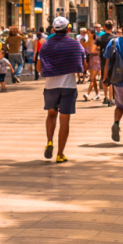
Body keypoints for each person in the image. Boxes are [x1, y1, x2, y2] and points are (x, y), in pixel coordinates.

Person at [38, 17, 85, 163]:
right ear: (68, 30)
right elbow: (83, 67)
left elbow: (39, 68)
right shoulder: (75, 45)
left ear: (53, 30)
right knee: (65, 120)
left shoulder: (45, 45)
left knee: (51, 115)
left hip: (50, 86)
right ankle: (60, 153)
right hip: (69, 87)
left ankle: (50, 141)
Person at [95, 20, 116, 105]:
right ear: (112, 28)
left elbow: (93, 49)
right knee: (112, 79)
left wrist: (100, 50)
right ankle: (111, 99)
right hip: (113, 60)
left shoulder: (99, 38)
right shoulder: (115, 37)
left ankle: (106, 97)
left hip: (103, 60)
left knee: (104, 78)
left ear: (104, 27)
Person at [81, 28, 101, 100]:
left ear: (93, 34)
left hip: (96, 60)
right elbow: (84, 53)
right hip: (89, 61)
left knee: (92, 78)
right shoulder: (86, 43)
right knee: (94, 79)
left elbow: (100, 50)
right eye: (87, 33)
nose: (88, 34)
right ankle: (97, 94)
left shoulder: (96, 42)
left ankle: (87, 93)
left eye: (89, 33)